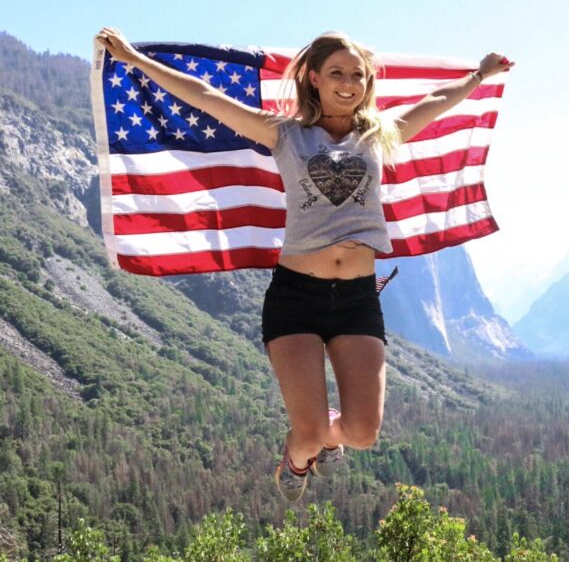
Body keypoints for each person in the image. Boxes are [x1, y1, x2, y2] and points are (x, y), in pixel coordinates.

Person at [95, 27, 513, 501]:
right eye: (337, 72)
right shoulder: (284, 134)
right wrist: (133, 58)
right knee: (308, 434)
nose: (349, 83)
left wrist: (479, 74)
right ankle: (298, 458)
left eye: (358, 75)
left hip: (357, 302)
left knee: (361, 433)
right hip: (295, 298)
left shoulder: (380, 136)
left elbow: (438, 99)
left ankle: (327, 434)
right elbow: (206, 96)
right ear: (314, 78)